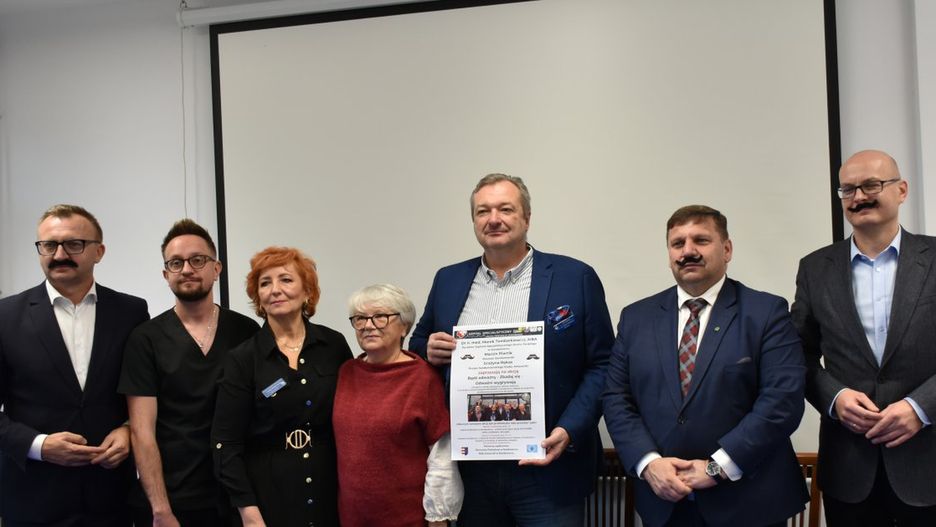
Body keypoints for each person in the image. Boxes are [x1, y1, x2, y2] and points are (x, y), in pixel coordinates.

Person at [410, 173, 614, 525]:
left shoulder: (574, 277)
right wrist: (427, 348)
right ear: (473, 221)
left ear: (527, 218)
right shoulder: (448, 279)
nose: (494, 219)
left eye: (505, 209)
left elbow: (604, 364)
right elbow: (417, 343)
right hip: (472, 471)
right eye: (482, 211)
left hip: (549, 469)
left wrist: (570, 429)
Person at [603, 205, 808, 527]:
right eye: (677, 243)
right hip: (664, 499)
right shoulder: (636, 318)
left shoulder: (766, 312)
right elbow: (616, 398)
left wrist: (718, 466)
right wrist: (648, 463)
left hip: (749, 502)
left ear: (726, 249)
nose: (688, 252)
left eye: (701, 240)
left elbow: (783, 401)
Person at [791, 150, 936, 526]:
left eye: (872, 185)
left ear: (902, 190)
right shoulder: (815, 268)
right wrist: (834, 397)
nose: (859, 197)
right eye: (848, 189)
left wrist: (921, 408)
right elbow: (796, 354)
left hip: (928, 463)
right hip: (849, 467)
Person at [0, 204, 149, 527]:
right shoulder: (5, 316)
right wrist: (38, 446)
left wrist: (127, 431)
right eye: (49, 245)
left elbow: (144, 392)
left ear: (99, 251)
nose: (59, 254)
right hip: (34, 498)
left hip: (112, 498)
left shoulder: (131, 312)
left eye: (73, 244)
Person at [118, 219, 259, 526]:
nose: (187, 269)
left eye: (198, 260)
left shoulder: (246, 332)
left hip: (236, 497)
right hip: (174, 501)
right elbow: (142, 432)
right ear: (165, 273)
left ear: (216, 268)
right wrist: (160, 509)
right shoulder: (145, 339)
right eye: (176, 262)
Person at [212, 247, 352, 527]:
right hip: (269, 497)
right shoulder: (243, 358)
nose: (275, 289)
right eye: (265, 283)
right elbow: (225, 444)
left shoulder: (333, 345)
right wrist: (248, 513)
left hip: (332, 491)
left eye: (286, 280)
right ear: (258, 299)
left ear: (307, 291)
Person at [333, 283, 463, 527]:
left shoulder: (423, 378)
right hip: (352, 517)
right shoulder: (347, 372)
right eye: (360, 318)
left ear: (404, 326)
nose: (368, 326)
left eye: (380, 317)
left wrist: (438, 518)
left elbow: (442, 457)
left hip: (406, 518)